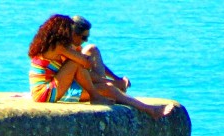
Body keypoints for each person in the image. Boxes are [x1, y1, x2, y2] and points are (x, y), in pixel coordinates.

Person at [28, 14, 174, 119]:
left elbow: (82, 68)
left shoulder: (61, 47)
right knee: (79, 65)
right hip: (45, 93)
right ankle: (97, 96)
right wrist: (106, 79)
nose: (85, 41)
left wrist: (110, 81)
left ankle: (150, 110)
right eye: (83, 37)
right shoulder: (60, 47)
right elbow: (84, 64)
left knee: (109, 89)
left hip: (55, 89)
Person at [70, 16, 129, 92]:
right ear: (74, 34)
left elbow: (97, 63)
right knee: (82, 66)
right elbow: (82, 73)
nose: (86, 40)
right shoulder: (66, 50)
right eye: (84, 38)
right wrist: (114, 83)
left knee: (92, 49)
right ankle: (110, 88)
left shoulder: (76, 47)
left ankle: (110, 88)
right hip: (69, 89)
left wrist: (116, 78)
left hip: (80, 83)